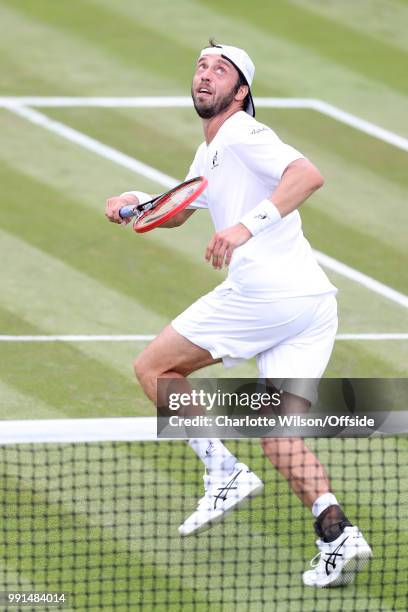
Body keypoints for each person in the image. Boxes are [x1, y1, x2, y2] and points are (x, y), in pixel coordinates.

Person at [105, 41, 372, 588]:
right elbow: (182, 208)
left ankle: (222, 468)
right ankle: (338, 536)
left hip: (266, 296)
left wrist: (246, 227)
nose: (206, 75)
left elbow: (307, 174)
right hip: (311, 305)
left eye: (221, 70)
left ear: (240, 91)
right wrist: (137, 202)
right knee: (277, 435)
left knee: (154, 370)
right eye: (202, 66)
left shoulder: (244, 134)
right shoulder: (211, 152)